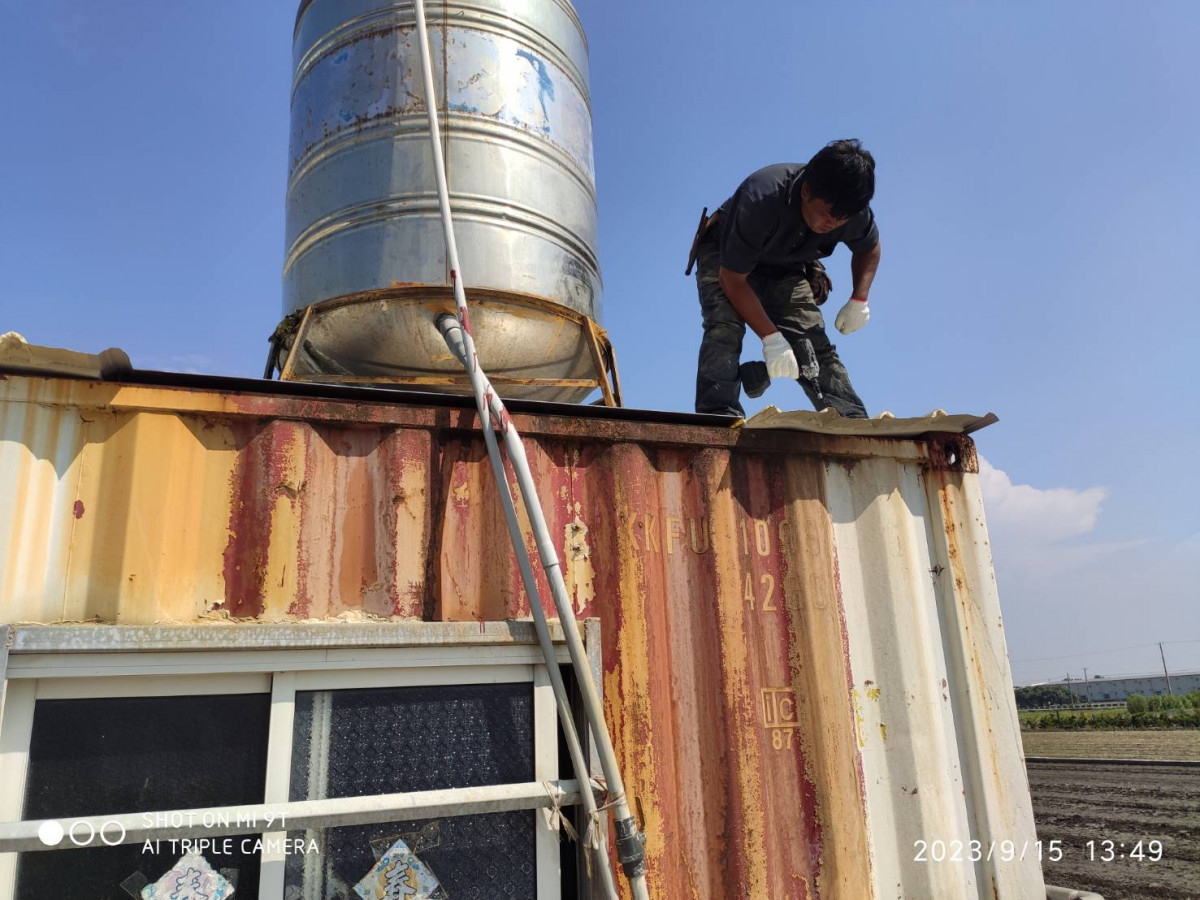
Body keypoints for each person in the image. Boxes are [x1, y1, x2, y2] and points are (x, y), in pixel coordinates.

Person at [689, 139, 881, 418]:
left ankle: (847, 417)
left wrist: (859, 299)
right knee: (724, 326)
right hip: (726, 254)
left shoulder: (851, 210)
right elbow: (733, 280)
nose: (835, 224)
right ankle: (717, 412)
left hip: (786, 263)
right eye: (828, 215)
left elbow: (869, 247)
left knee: (811, 340)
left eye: (843, 219)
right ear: (806, 191)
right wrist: (772, 338)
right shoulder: (760, 197)